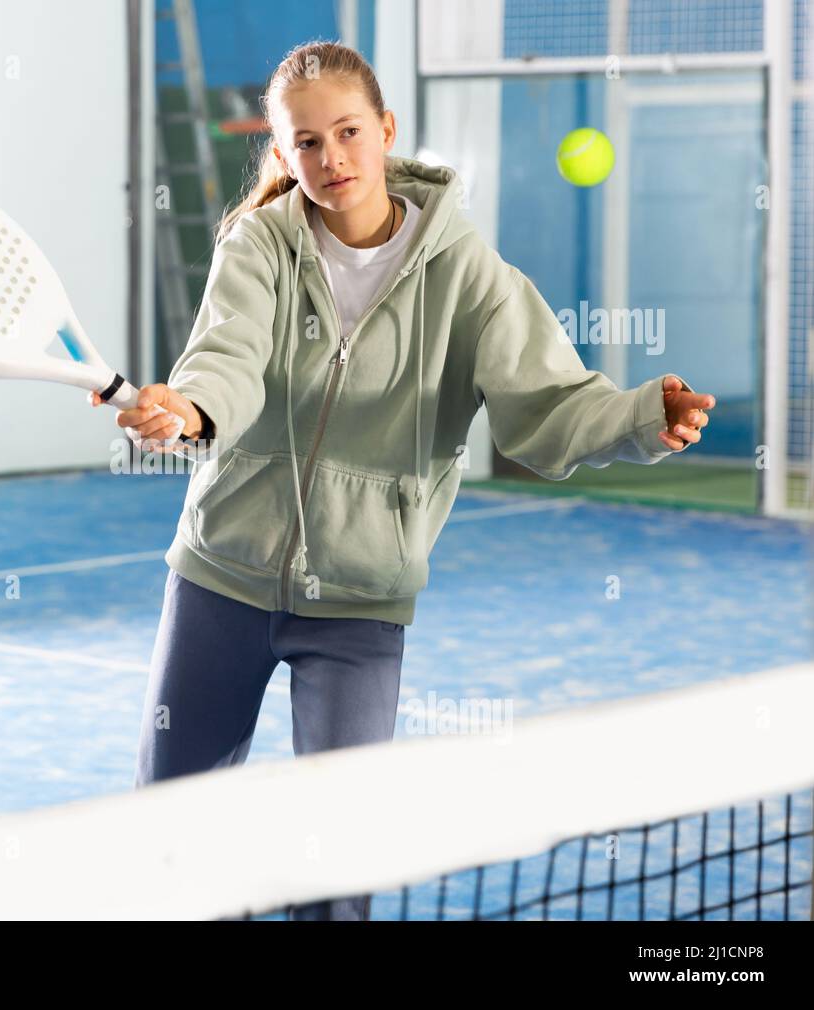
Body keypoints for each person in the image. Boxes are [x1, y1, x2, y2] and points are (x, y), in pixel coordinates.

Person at [92, 41, 716, 920]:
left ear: (385, 131)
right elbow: (225, 358)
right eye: (305, 143)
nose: (331, 157)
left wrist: (643, 417)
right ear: (282, 155)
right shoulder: (258, 246)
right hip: (218, 579)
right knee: (170, 824)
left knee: (340, 855)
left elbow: (550, 405)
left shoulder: (470, 276)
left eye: (348, 132)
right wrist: (191, 410)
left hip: (360, 596)